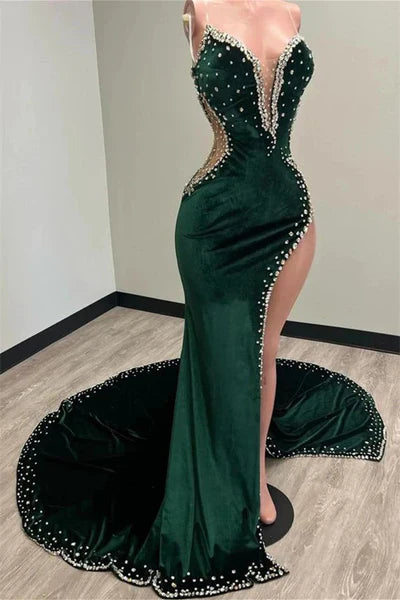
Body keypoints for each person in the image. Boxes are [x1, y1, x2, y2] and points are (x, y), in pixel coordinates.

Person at [16, 1, 386, 597]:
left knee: (264, 352)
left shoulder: (291, 10)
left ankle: (253, 477)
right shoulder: (198, 9)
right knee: (221, 359)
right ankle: (222, 481)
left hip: (290, 214)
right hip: (214, 223)